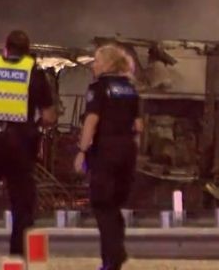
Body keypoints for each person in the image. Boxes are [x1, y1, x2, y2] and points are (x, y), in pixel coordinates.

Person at [0, 30, 57, 270]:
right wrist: (33, 125)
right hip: (21, 145)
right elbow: (48, 116)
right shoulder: (34, 73)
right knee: (22, 202)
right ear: (27, 51)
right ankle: (17, 254)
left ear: (5, 48)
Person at [75, 43, 142, 270]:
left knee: (102, 205)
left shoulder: (99, 87)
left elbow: (91, 121)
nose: (94, 65)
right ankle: (115, 255)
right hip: (127, 151)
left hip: (106, 151)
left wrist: (82, 151)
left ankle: (112, 258)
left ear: (108, 63)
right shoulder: (131, 88)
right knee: (114, 205)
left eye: (96, 60)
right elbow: (139, 126)